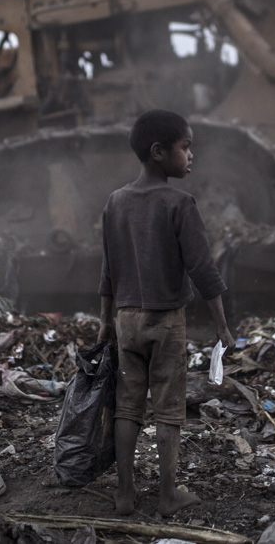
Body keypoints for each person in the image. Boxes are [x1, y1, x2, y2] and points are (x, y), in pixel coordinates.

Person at [97, 108, 235, 517]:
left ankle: (124, 494)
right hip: (166, 321)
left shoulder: (115, 202)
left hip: (125, 321)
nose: (191, 155)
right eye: (185, 147)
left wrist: (105, 322)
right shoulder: (180, 203)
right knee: (169, 409)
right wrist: (223, 326)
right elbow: (203, 269)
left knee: (128, 407)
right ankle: (167, 494)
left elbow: (108, 268)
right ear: (159, 152)